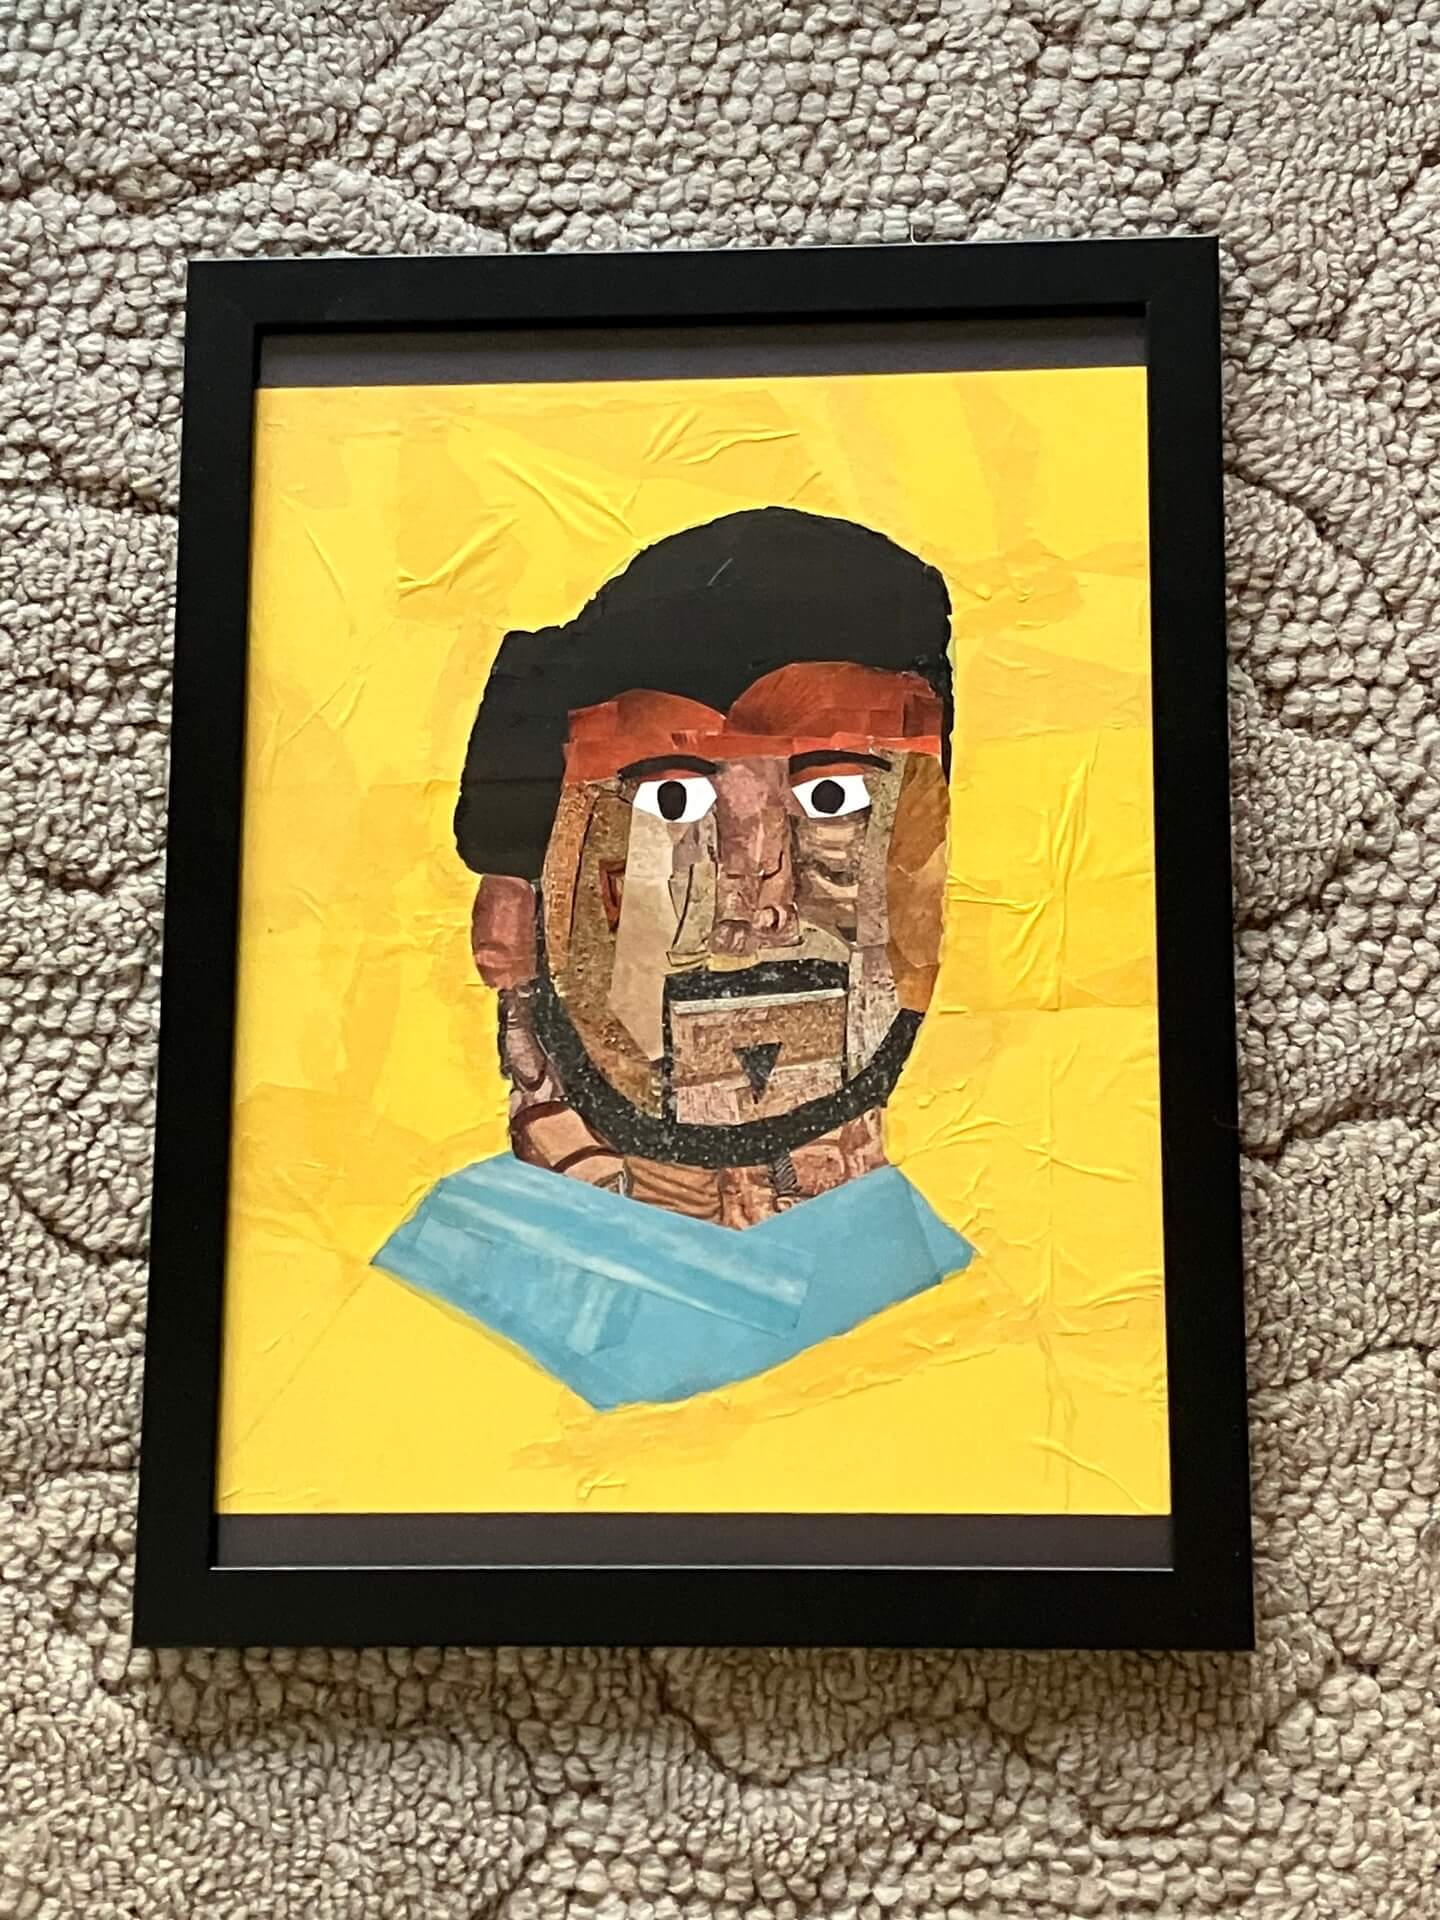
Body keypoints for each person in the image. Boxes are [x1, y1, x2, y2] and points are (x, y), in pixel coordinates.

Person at [375, 507, 975, 1407]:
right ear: (510, 925)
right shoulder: (436, 1330)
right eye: (670, 799)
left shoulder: (958, 1314)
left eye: (836, 795)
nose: (759, 893)